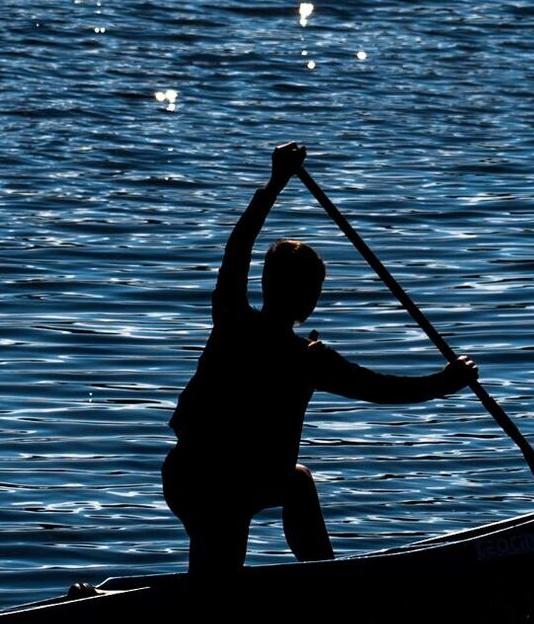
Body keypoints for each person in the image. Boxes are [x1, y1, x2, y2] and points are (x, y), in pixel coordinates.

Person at [164, 142, 478, 578]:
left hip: (187, 472)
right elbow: (381, 389)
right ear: (309, 300)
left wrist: (276, 183)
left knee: (296, 481)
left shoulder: (232, 317)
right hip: (218, 482)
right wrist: (444, 383)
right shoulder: (303, 357)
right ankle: (277, 597)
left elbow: (238, 245)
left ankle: (322, 579)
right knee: (220, 577)